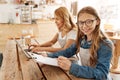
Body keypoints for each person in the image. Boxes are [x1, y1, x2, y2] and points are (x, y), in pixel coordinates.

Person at [43, 6, 113, 80]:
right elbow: (67, 52)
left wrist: (71, 67)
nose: (84, 26)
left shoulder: (106, 44)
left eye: (89, 21)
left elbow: (102, 74)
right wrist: (48, 55)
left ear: (97, 21)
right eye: (81, 22)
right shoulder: (82, 40)